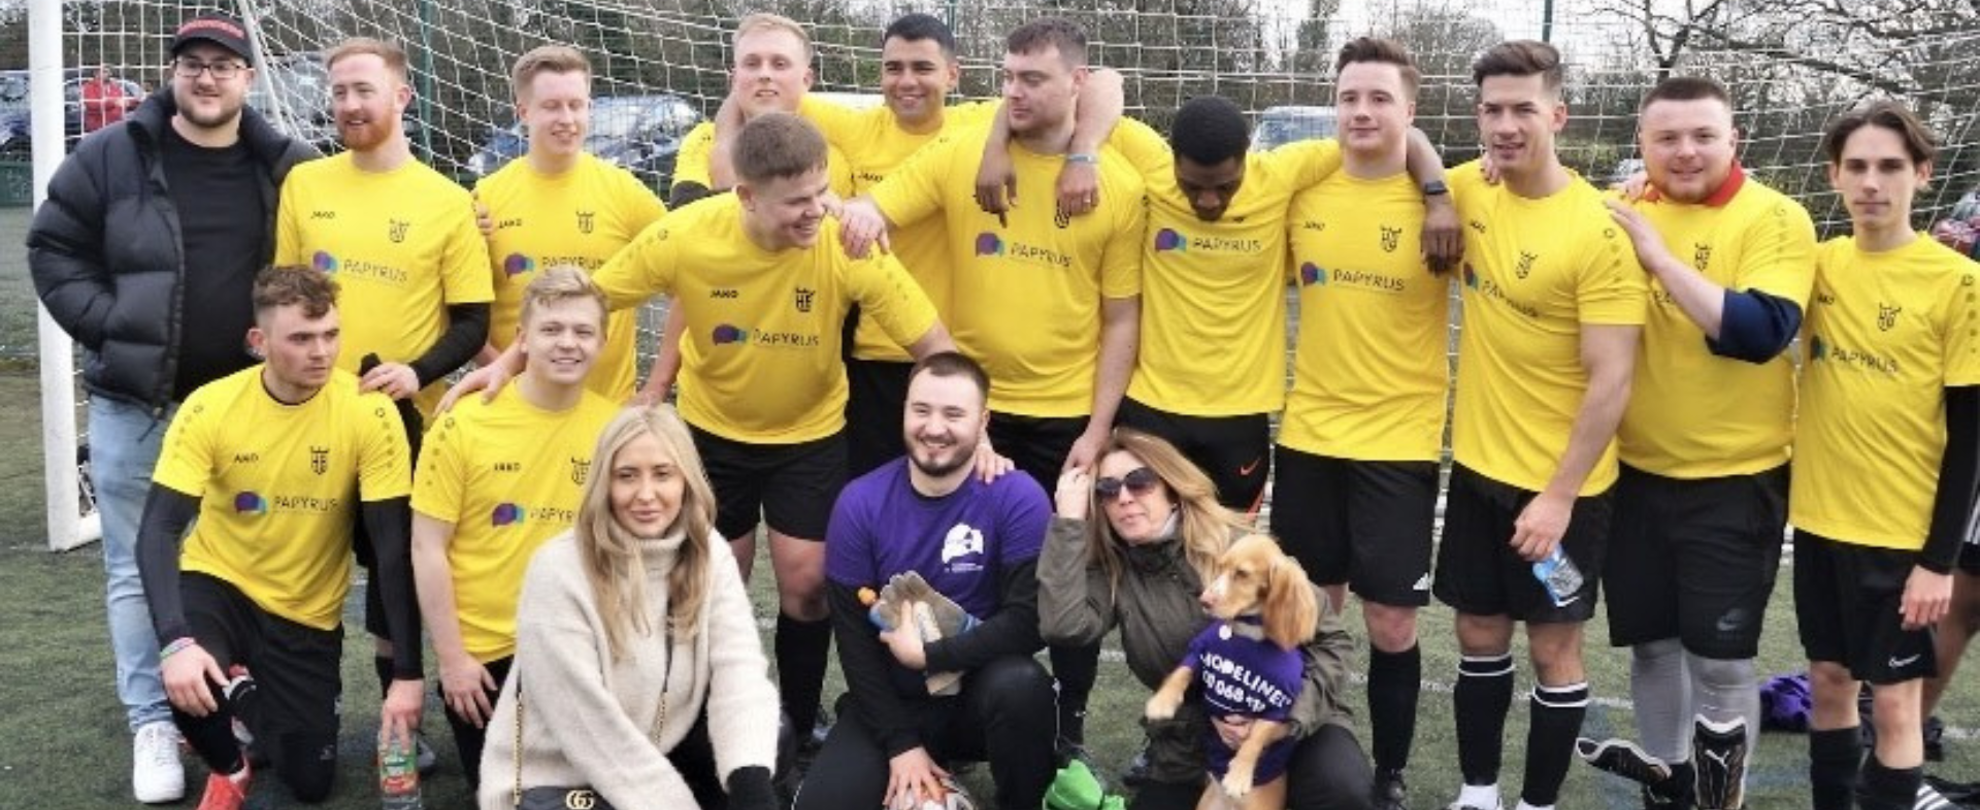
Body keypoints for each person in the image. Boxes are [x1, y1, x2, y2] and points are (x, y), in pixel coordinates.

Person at [455, 111, 958, 788]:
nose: (817, 210)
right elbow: (588, 301)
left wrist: (973, 428)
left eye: (822, 192)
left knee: (808, 585)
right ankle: (694, 724)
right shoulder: (687, 234)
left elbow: (934, 344)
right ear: (745, 196)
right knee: (706, 584)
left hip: (809, 435)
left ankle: (797, 722)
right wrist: (506, 364)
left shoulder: (846, 242)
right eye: (797, 201)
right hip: (713, 435)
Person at [27, 11, 315, 803]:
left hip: (250, 410)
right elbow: (52, 247)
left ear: (248, 78)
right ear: (172, 72)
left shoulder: (287, 164)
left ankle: (234, 694)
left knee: (249, 560)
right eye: (193, 63)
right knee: (133, 564)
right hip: (139, 403)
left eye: (223, 65)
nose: (206, 77)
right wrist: (112, 328)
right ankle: (153, 719)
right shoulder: (111, 154)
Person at [839, 17, 1145, 754]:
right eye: (1007, 77)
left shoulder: (1119, 181)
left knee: (1070, 580)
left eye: (1033, 79)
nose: (1014, 92)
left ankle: (1068, 727)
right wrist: (852, 217)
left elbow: (1121, 318)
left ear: (1075, 83)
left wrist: (1098, 430)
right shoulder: (963, 150)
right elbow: (876, 208)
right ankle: (920, 712)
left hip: (1066, 419)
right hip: (974, 418)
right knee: (950, 567)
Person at [1571, 76, 1817, 810]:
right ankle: (1670, 785)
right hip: (1633, 476)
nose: (1685, 151)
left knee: (1720, 664)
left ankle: (1720, 801)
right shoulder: (1617, 211)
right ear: (1641, 143)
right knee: (1653, 649)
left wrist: (1659, 258)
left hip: (1735, 482)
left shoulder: (1776, 217)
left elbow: (1759, 332)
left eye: (1703, 135)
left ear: (1733, 139)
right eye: (1667, 137)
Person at [1436, 40, 1645, 810]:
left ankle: (1537, 803)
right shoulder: (1468, 188)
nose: (1506, 125)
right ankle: (1478, 794)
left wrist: (1557, 497)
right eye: (1492, 110)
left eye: (1524, 109)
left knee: (1554, 646)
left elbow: (1613, 378)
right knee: (1477, 635)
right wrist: (1434, 196)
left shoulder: (1599, 228)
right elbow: (1408, 152)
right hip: (1478, 475)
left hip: (1566, 494)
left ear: (1559, 114)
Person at [133, 265, 423, 809]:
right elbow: (158, 529)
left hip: (306, 611)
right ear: (258, 341)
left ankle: (241, 690)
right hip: (219, 582)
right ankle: (230, 766)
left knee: (310, 783)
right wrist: (175, 642)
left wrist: (407, 674)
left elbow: (392, 548)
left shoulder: (370, 411)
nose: (321, 352)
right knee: (189, 674)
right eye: (301, 338)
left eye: (331, 334)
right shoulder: (210, 406)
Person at [275, 36, 493, 745]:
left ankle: (400, 724)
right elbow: (282, 297)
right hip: (308, 419)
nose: (349, 104)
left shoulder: (448, 201)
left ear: (401, 96)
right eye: (339, 91)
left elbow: (473, 321)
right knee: (298, 567)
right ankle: (305, 708)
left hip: (400, 425)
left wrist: (416, 373)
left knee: (391, 574)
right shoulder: (305, 184)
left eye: (363, 89)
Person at [1269, 37, 1456, 810]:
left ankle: (1389, 774)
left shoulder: (1452, 200)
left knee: (1391, 622)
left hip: (1399, 444)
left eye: (1380, 98)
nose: (1362, 111)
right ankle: (1302, 749)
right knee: (1305, 611)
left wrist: (1437, 190)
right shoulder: (1303, 190)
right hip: (1309, 437)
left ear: (1410, 110)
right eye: (1349, 97)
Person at [1791, 100, 1978, 810]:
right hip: (1818, 523)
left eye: (1891, 166)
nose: (1872, 182)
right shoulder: (1817, 266)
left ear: (1923, 174)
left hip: (1902, 537)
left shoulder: (1958, 282)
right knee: (1829, 684)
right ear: (1834, 176)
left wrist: (1939, 560)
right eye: (1858, 166)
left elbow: (1971, 439)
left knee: (1896, 705)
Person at [1038, 428, 1373, 810]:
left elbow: (1331, 642)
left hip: (1293, 725)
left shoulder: (1236, 545)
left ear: (1172, 489)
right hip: (1193, 744)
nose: (1124, 498)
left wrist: (1288, 721)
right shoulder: (1114, 569)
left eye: (1140, 482)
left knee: (1342, 788)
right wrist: (1069, 523)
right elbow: (1063, 627)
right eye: (1108, 489)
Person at [476, 405, 782, 810]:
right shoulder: (557, 569)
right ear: (604, 483)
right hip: (555, 777)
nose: (646, 494)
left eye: (663, 473)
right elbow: (590, 729)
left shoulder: (709, 551)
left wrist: (751, 789)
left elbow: (739, 670)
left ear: (686, 479)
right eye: (627, 476)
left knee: (766, 741)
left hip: (652, 746)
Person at [798, 351, 1056, 810]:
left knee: (1022, 686)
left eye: (953, 414)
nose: (934, 428)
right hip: (896, 701)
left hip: (982, 697)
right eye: (921, 410)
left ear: (983, 422)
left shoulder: (1018, 497)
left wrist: (931, 656)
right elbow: (853, 641)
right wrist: (900, 743)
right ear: (904, 411)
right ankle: (930, 780)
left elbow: (1029, 622)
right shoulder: (860, 503)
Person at [411, 267, 621, 791]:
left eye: (583, 331)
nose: (568, 343)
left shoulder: (614, 430)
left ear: (602, 342)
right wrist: (454, 660)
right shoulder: (462, 424)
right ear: (522, 338)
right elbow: (427, 548)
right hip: (489, 658)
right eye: (552, 329)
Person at [474, 44, 667, 403]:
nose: (567, 118)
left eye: (576, 105)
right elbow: (464, 311)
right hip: (514, 408)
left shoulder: (626, 193)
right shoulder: (487, 197)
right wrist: (500, 369)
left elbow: (688, 279)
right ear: (524, 112)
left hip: (606, 415)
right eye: (551, 106)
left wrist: (657, 385)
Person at [81, 64, 138, 134]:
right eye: (105, 72)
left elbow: (122, 99)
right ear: (96, 73)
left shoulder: (114, 86)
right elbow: (92, 104)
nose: (109, 74)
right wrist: (114, 103)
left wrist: (131, 102)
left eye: (109, 72)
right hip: (98, 127)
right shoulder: (89, 87)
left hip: (116, 126)